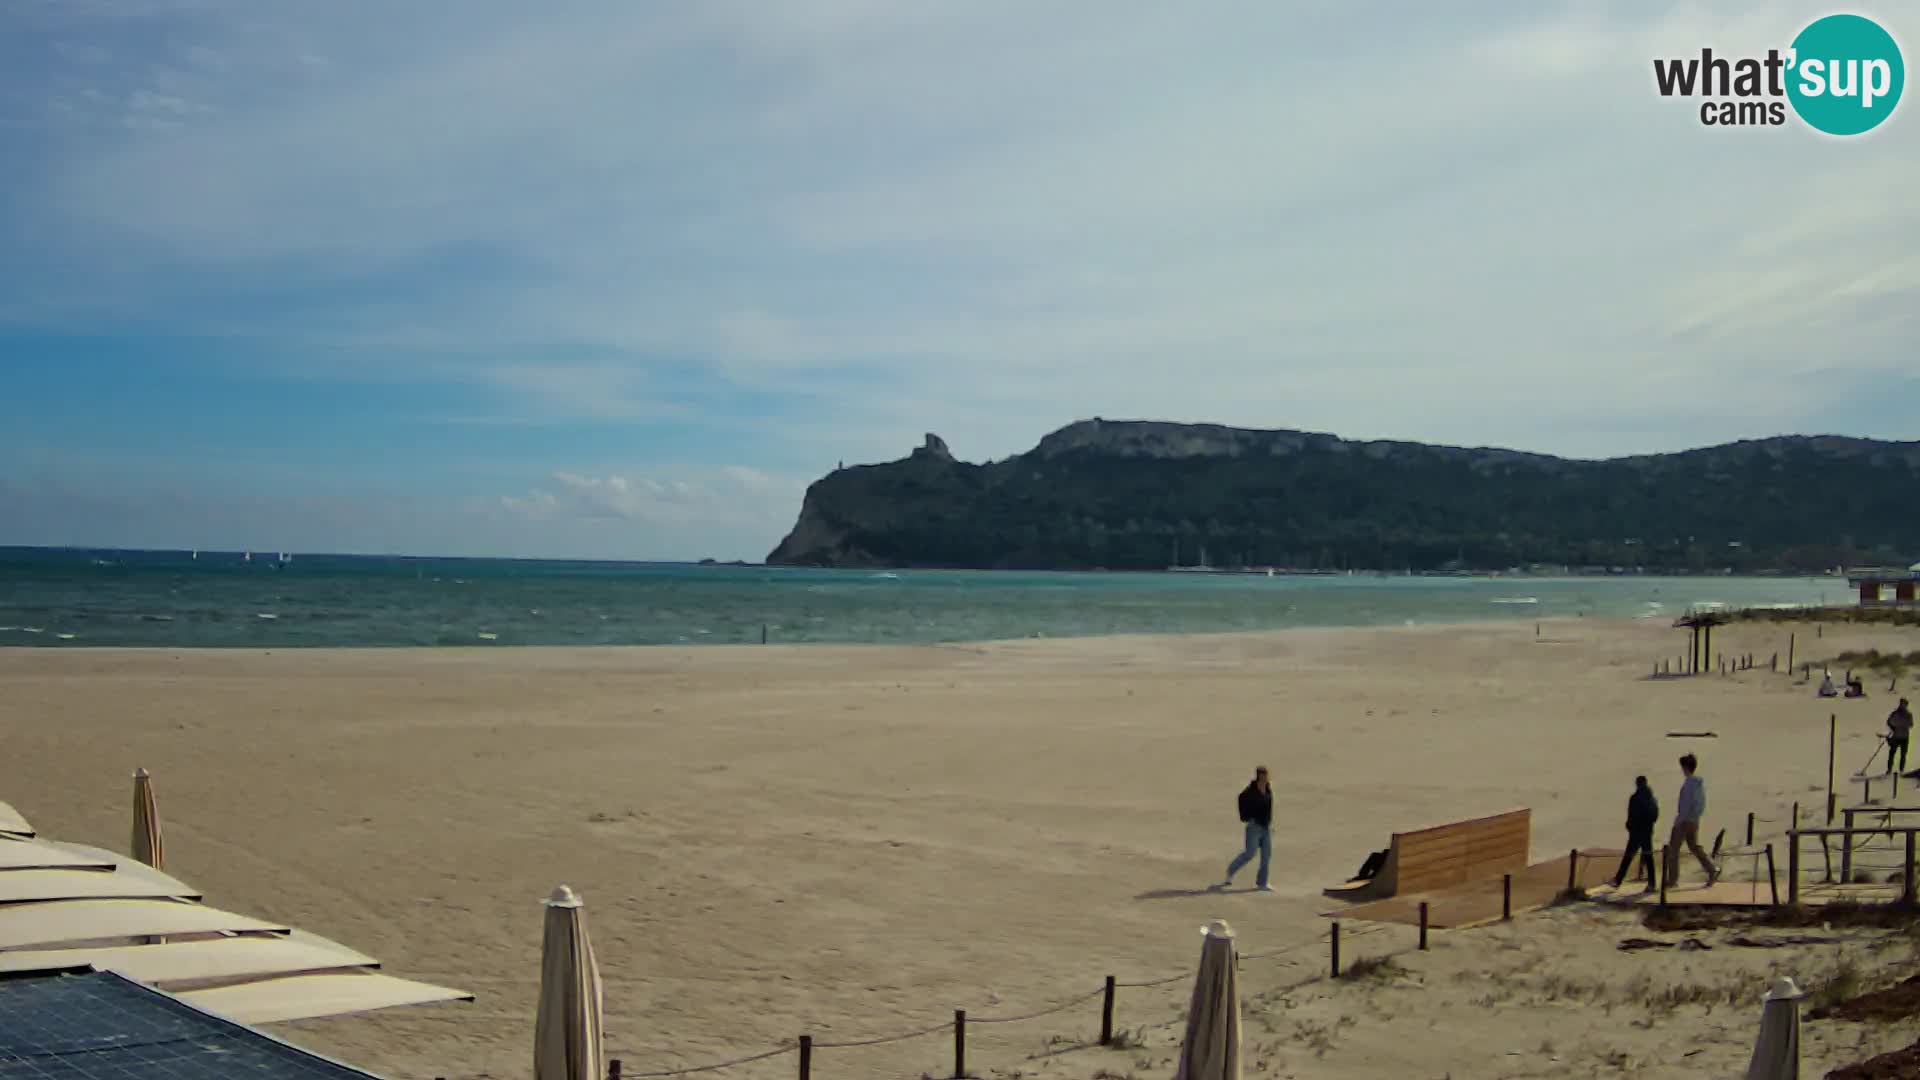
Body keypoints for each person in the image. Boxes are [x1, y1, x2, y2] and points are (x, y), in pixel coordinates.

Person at [1665, 753, 1719, 887]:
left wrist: (1679, 821)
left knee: (1673, 850)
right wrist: (1695, 817)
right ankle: (1712, 869)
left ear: (1686, 767)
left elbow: (1685, 805)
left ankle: (1672, 880)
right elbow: (1701, 804)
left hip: (1684, 821)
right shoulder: (1698, 784)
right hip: (1694, 821)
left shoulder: (1690, 784)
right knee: (1694, 846)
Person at [1218, 766, 1273, 892]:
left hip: (1266, 827)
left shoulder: (1268, 789)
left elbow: (1269, 806)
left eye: (1267, 775)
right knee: (1249, 854)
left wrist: (1269, 822)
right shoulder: (1250, 791)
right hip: (1254, 827)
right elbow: (1241, 798)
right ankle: (1230, 871)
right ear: (1260, 776)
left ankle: (1262, 883)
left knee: (1266, 855)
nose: (1267, 778)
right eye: (1265, 775)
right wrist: (1245, 817)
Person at [1610, 775, 1660, 891]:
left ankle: (1618, 880)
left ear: (1637, 784)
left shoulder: (1634, 798)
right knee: (1648, 857)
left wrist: (1630, 826)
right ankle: (1652, 884)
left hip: (1636, 833)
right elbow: (1655, 816)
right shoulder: (1652, 799)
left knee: (1628, 857)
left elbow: (1631, 816)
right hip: (1647, 832)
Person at [1888, 698, 1913, 775]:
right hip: (1896, 736)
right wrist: (1893, 727)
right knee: (1892, 753)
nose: (1902, 705)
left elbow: (1911, 724)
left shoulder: (1908, 715)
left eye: (1904, 704)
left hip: (1904, 737)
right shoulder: (1894, 713)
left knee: (1903, 754)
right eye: (1901, 704)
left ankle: (1901, 770)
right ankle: (1889, 769)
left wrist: (1899, 724)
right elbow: (1889, 722)